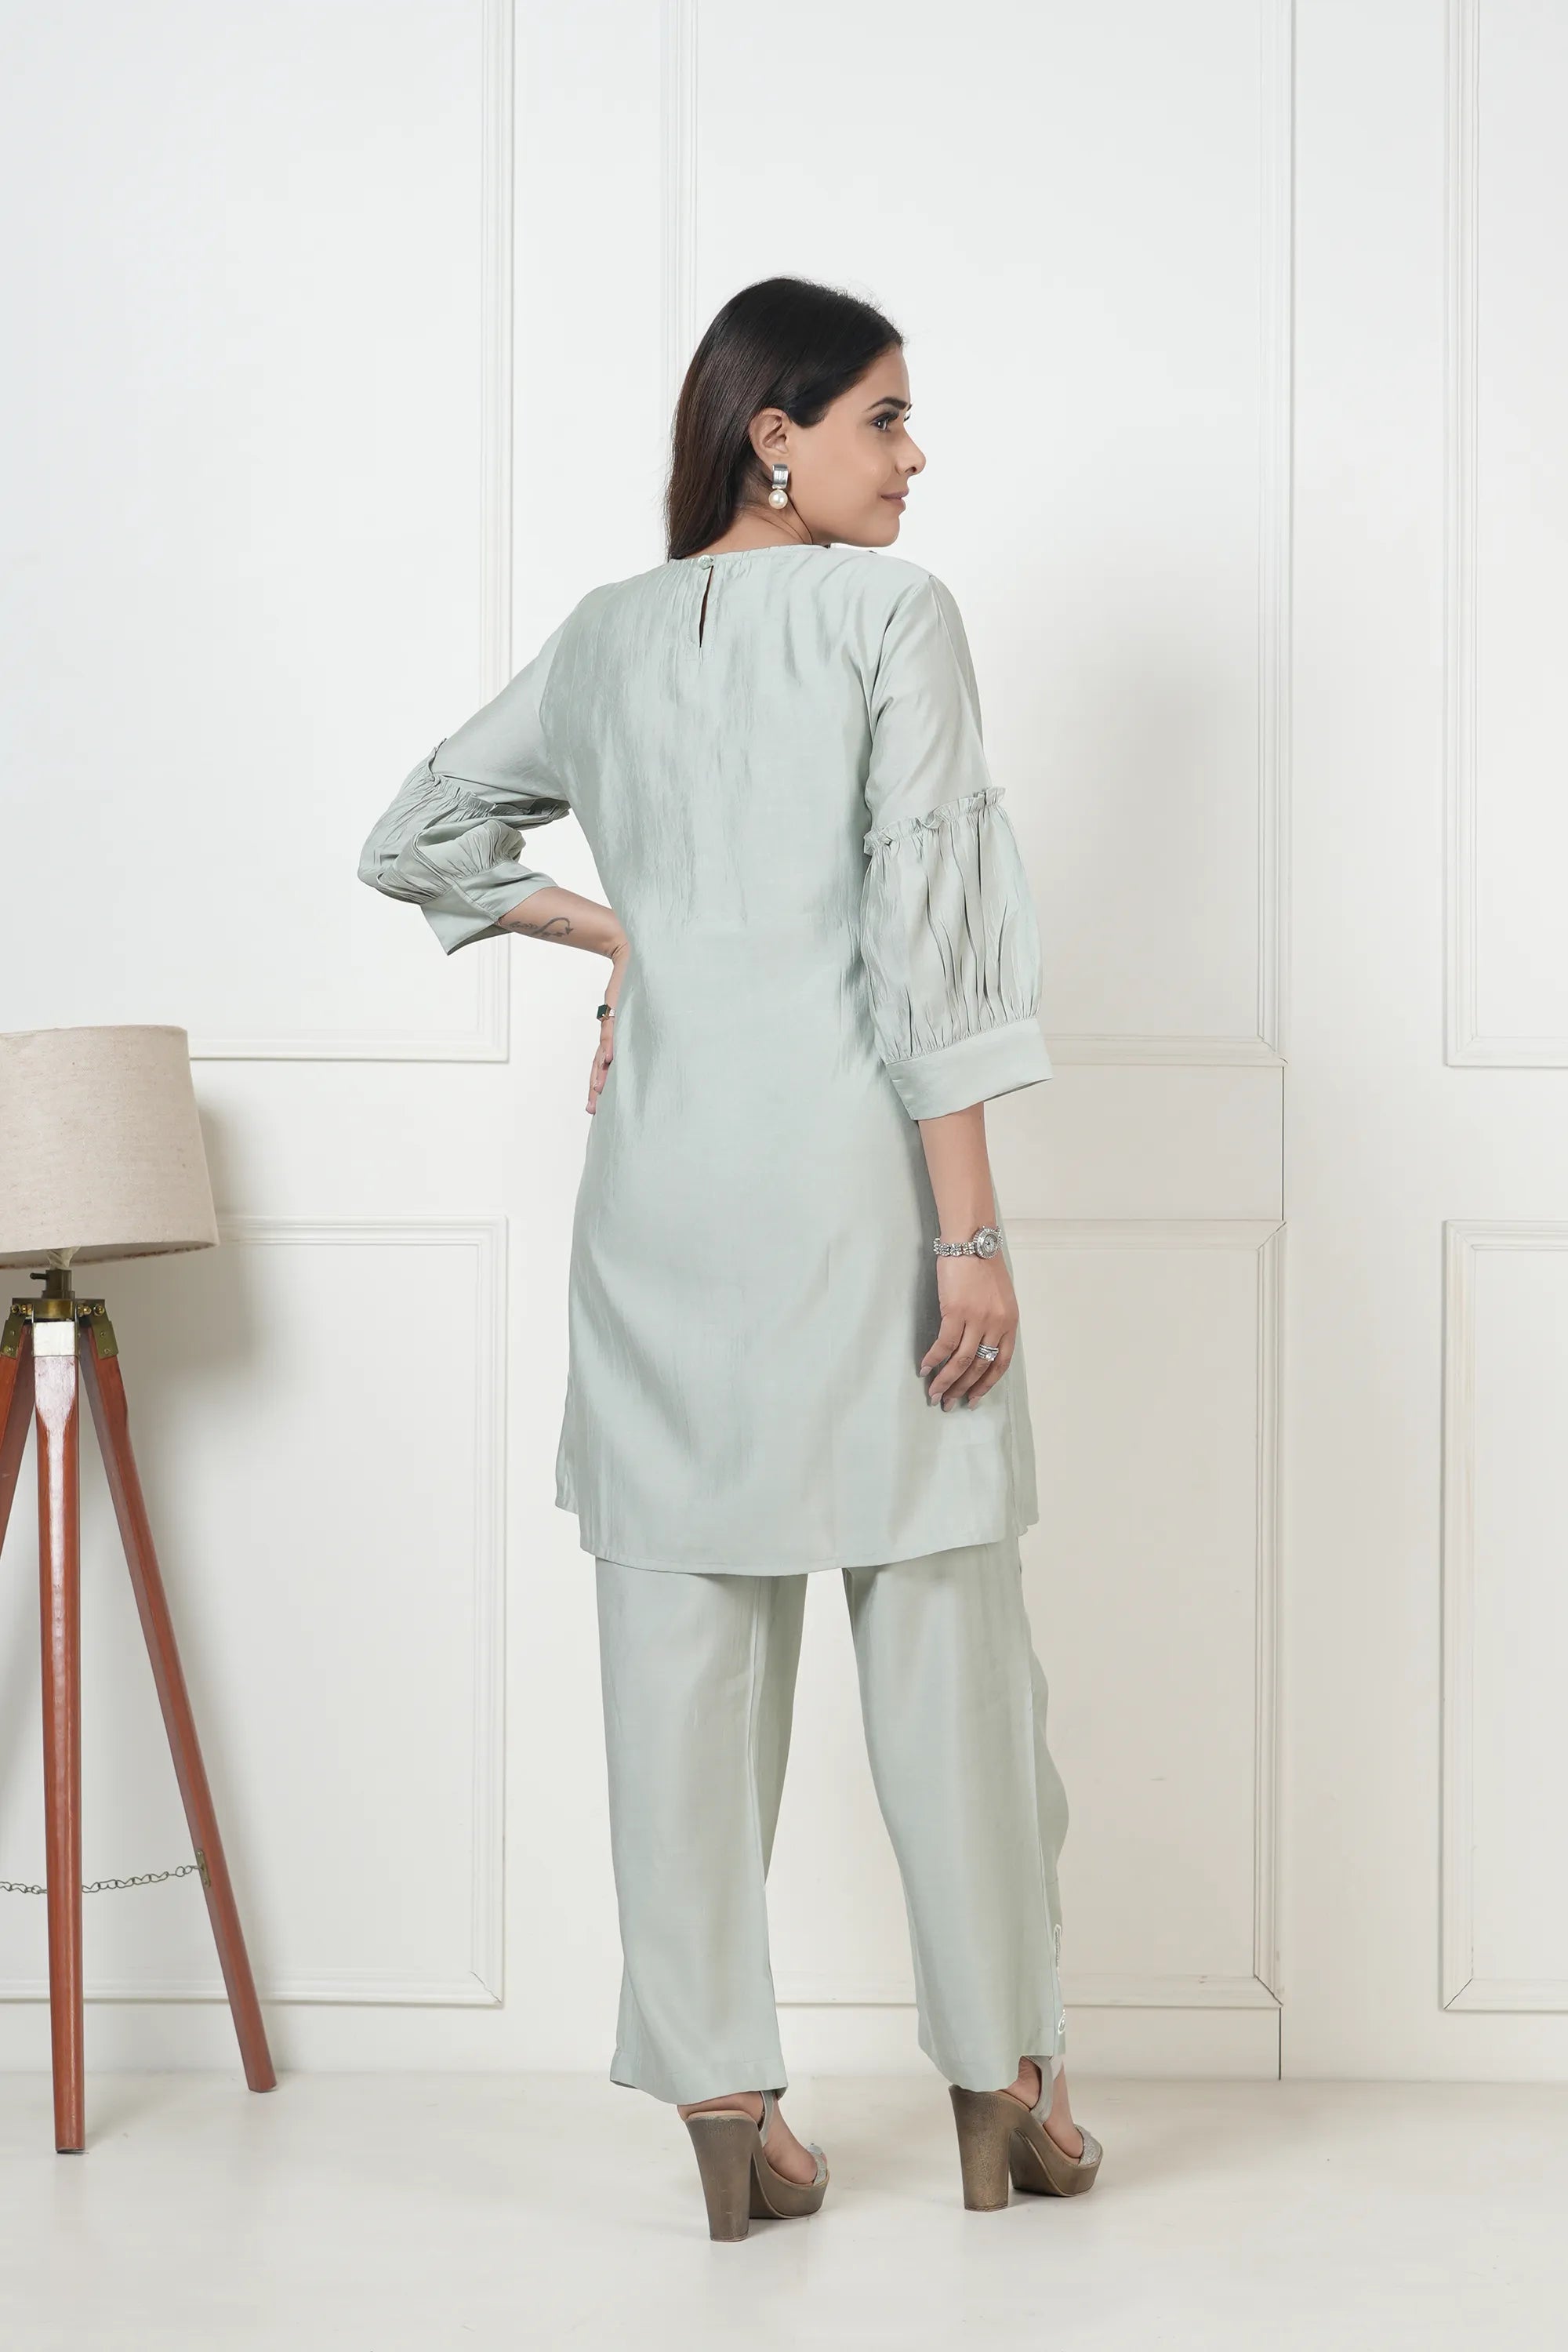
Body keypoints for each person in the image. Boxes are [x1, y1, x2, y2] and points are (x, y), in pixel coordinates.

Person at [358, 275, 1102, 2241]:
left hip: (661, 1206)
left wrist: (629, 942)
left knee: (673, 1665)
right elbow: (927, 939)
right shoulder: (890, 616)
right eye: (882, 417)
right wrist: (970, 1235)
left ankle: (723, 2103)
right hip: (862, 1197)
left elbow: (418, 835)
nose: (914, 455)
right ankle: (1003, 2082)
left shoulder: (606, 636)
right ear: (775, 435)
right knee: (945, 1649)